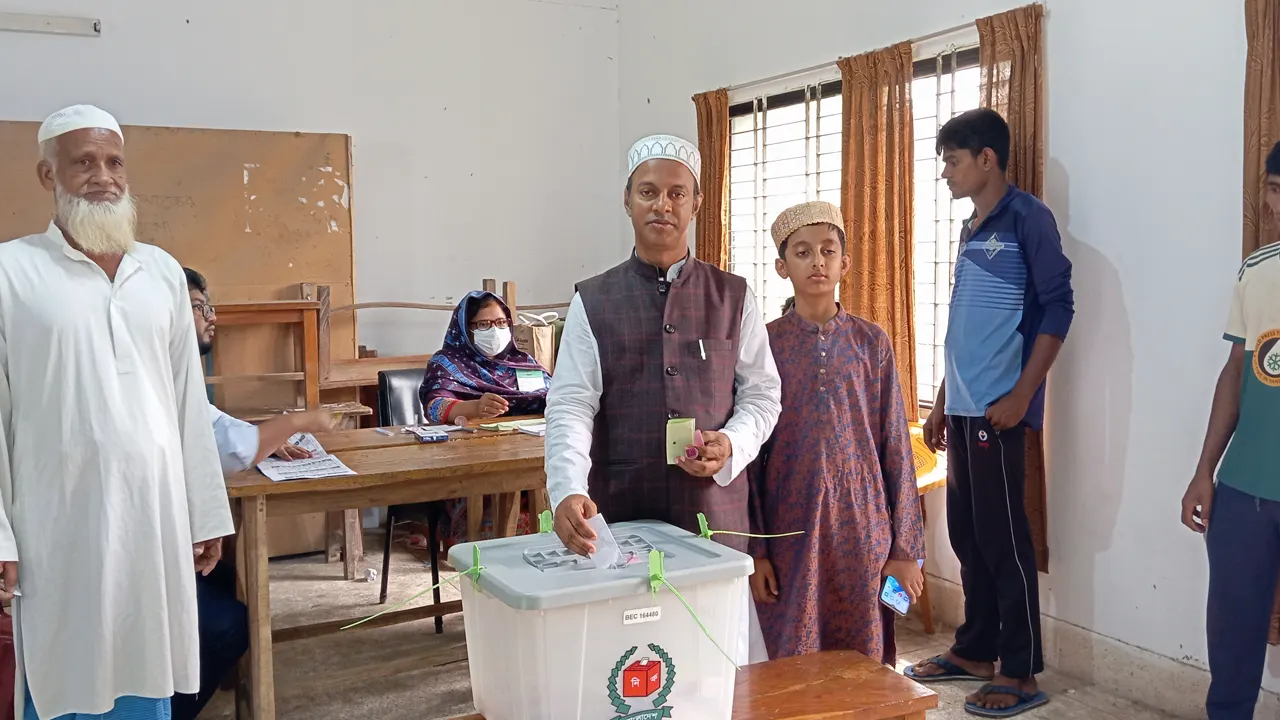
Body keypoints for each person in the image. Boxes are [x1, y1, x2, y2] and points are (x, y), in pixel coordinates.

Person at [0, 104, 235, 719]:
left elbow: (189, 400)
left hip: (152, 520)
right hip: (57, 526)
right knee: (65, 666)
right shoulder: (10, 272)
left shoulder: (159, 271)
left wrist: (205, 510)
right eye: (83, 162)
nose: (103, 176)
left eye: (114, 162)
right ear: (48, 176)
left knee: (147, 658)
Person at [547, 133, 782, 663]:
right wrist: (565, 488)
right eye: (648, 191)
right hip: (624, 508)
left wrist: (731, 445)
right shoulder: (593, 299)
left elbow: (764, 395)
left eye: (677, 193)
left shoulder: (733, 295)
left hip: (714, 512)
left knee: (717, 662)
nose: (663, 204)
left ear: (697, 204)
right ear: (627, 201)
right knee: (632, 664)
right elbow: (571, 403)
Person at [905, 108, 1073, 718]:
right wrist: (945, 402)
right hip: (964, 409)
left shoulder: (1029, 220)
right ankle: (975, 650)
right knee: (968, 534)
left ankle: (1021, 671)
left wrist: (1024, 395)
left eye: (952, 161)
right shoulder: (970, 229)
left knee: (1005, 540)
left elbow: (1058, 310)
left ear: (987, 159)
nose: (945, 173)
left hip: (1001, 411)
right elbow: (965, 327)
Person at [749, 201, 925, 667]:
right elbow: (749, 457)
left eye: (828, 251)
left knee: (864, 653)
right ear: (782, 267)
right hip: (790, 526)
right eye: (803, 252)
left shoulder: (873, 343)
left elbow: (896, 449)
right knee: (791, 651)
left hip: (863, 527)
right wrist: (756, 550)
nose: (818, 262)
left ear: (845, 263)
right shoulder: (764, 344)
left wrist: (905, 549)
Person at [174, 268, 337, 720]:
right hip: (148, 545)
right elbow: (230, 449)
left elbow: (223, 428)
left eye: (209, 306)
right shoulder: (156, 371)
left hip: (173, 536)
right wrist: (299, 422)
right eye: (197, 306)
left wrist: (268, 436)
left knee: (227, 579)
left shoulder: (181, 371)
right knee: (228, 622)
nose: (211, 317)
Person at [1181, 140, 1280, 720]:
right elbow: (1237, 370)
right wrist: (1203, 472)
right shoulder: (1257, 271)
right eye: (1274, 191)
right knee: (1233, 646)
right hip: (1246, 489)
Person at [420, 291, 549, 545]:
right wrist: (474, 408)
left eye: (501, 323)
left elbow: (556, 396)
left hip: (529, 454)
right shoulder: (446, 362)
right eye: (483, 324)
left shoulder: (523, 363)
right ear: (465, 328)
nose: (495, 330)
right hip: (472, 462)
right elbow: (434, 406)